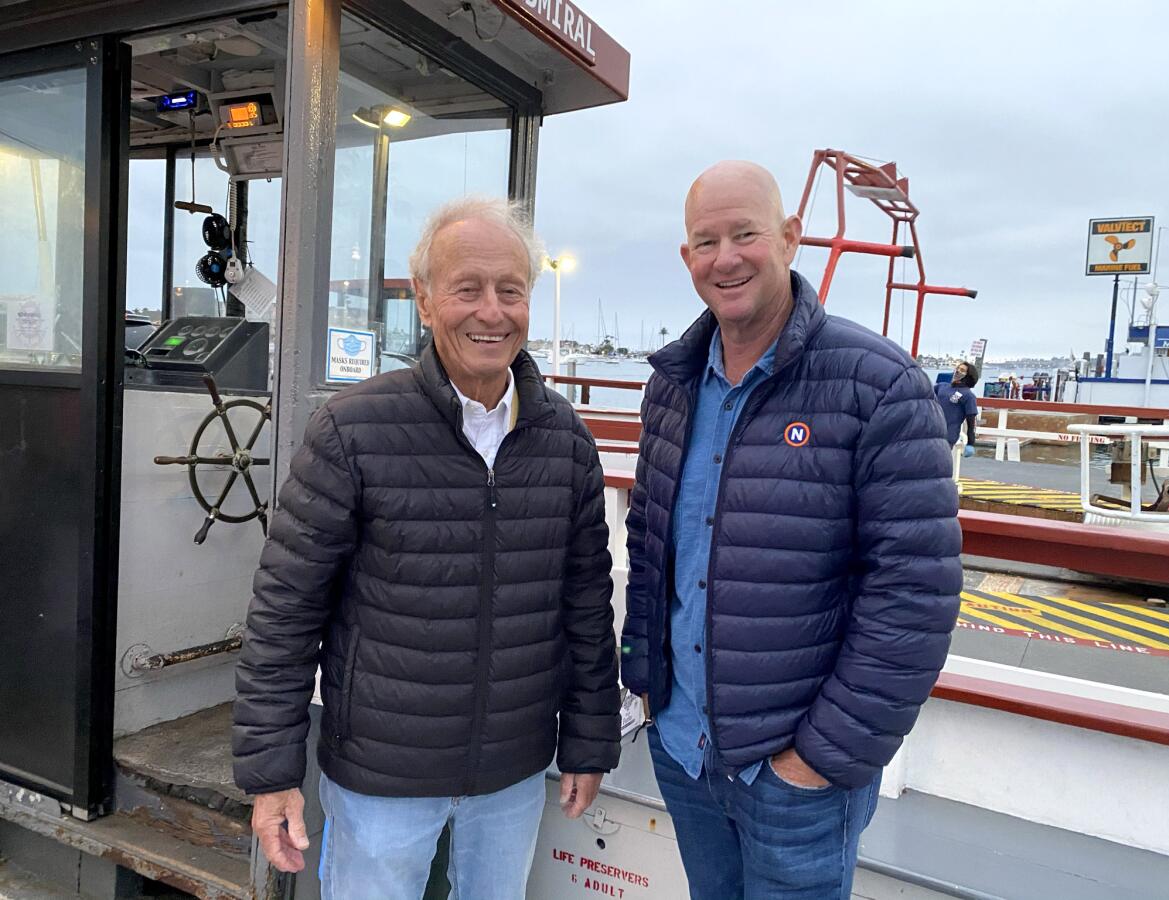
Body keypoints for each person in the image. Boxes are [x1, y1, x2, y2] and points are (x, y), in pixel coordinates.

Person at [232, 196, 620, 899]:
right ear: (425, 299)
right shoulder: (354, 430)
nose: (491, 311)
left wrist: (590, 740)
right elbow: (285, 613)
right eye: (467, 288)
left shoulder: (565, 440)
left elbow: (586, 606)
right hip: (382, 778)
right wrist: (273, 775)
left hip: (512, 771)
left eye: (511, 290)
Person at [621, 161, 962, 900]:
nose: (726, 257)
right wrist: (648, 686)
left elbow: (916, 595)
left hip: (796, 776)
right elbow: (650, 547)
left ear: (789, 238)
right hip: (685, 750)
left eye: (745, 234)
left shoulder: (879, 384)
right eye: (705, 241)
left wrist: (818, 759)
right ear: (687, 259)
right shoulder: (671, 388)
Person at [935, 361, 979, 456]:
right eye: (957, 368)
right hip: (930, 431)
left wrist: (970, 443)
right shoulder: (941, 386)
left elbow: (971, 423)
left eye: (962, 370)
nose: (957, 371)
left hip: (947, 436)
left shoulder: (969, 396)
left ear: (968, 375)